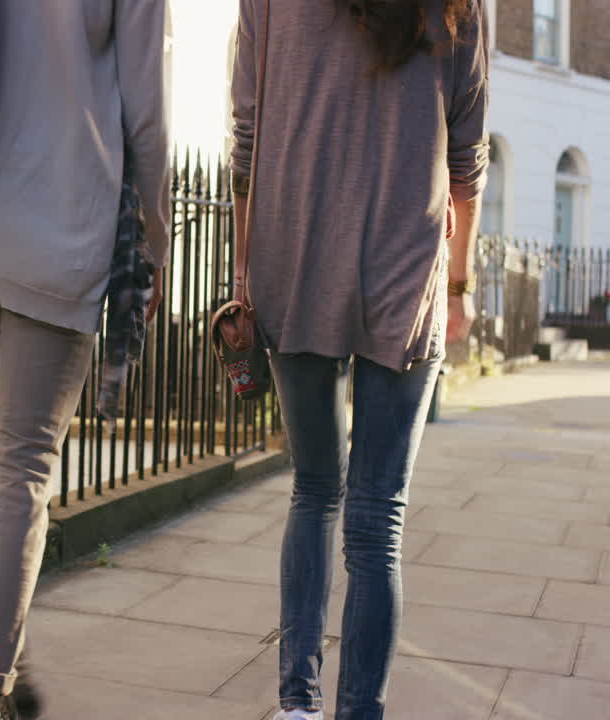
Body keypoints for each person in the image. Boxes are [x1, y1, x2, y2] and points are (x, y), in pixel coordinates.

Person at [0, 3, 171, 718]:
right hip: (55, 219)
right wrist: (156, 237)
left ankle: (12, 671)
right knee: (25, 457)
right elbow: (145, 109)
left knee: (12, 445)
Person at [229, 1, 489, 718]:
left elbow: (246, 144)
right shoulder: (457, 7)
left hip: (296, 266)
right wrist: (460, 284)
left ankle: (297, 704)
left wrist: (241, 278)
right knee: (376, 521)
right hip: (407, 281)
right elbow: (466, 160)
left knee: (314, 492)